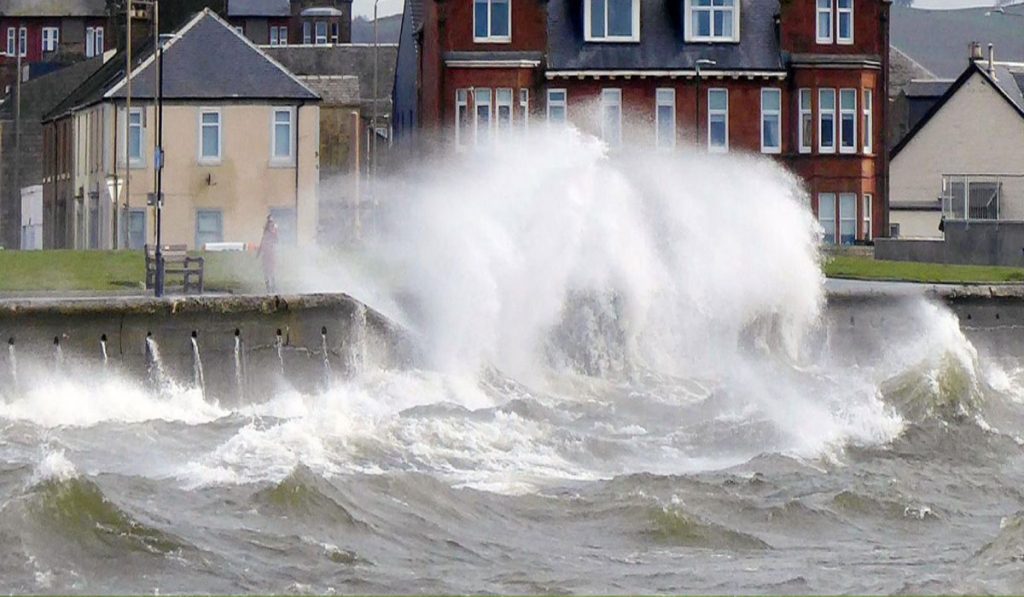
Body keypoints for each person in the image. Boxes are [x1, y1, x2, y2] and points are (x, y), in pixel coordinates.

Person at [257, 215, 279, 292]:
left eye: (271, 222)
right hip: (266, 254)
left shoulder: (274, 232)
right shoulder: (266, 233)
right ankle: (268, 287)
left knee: (271, 270)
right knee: (266, 271)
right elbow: (262, 242)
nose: (270, 224)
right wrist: (259, 253)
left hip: (271, 253)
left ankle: (273, 285)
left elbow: (276, 240)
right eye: (269, 222)